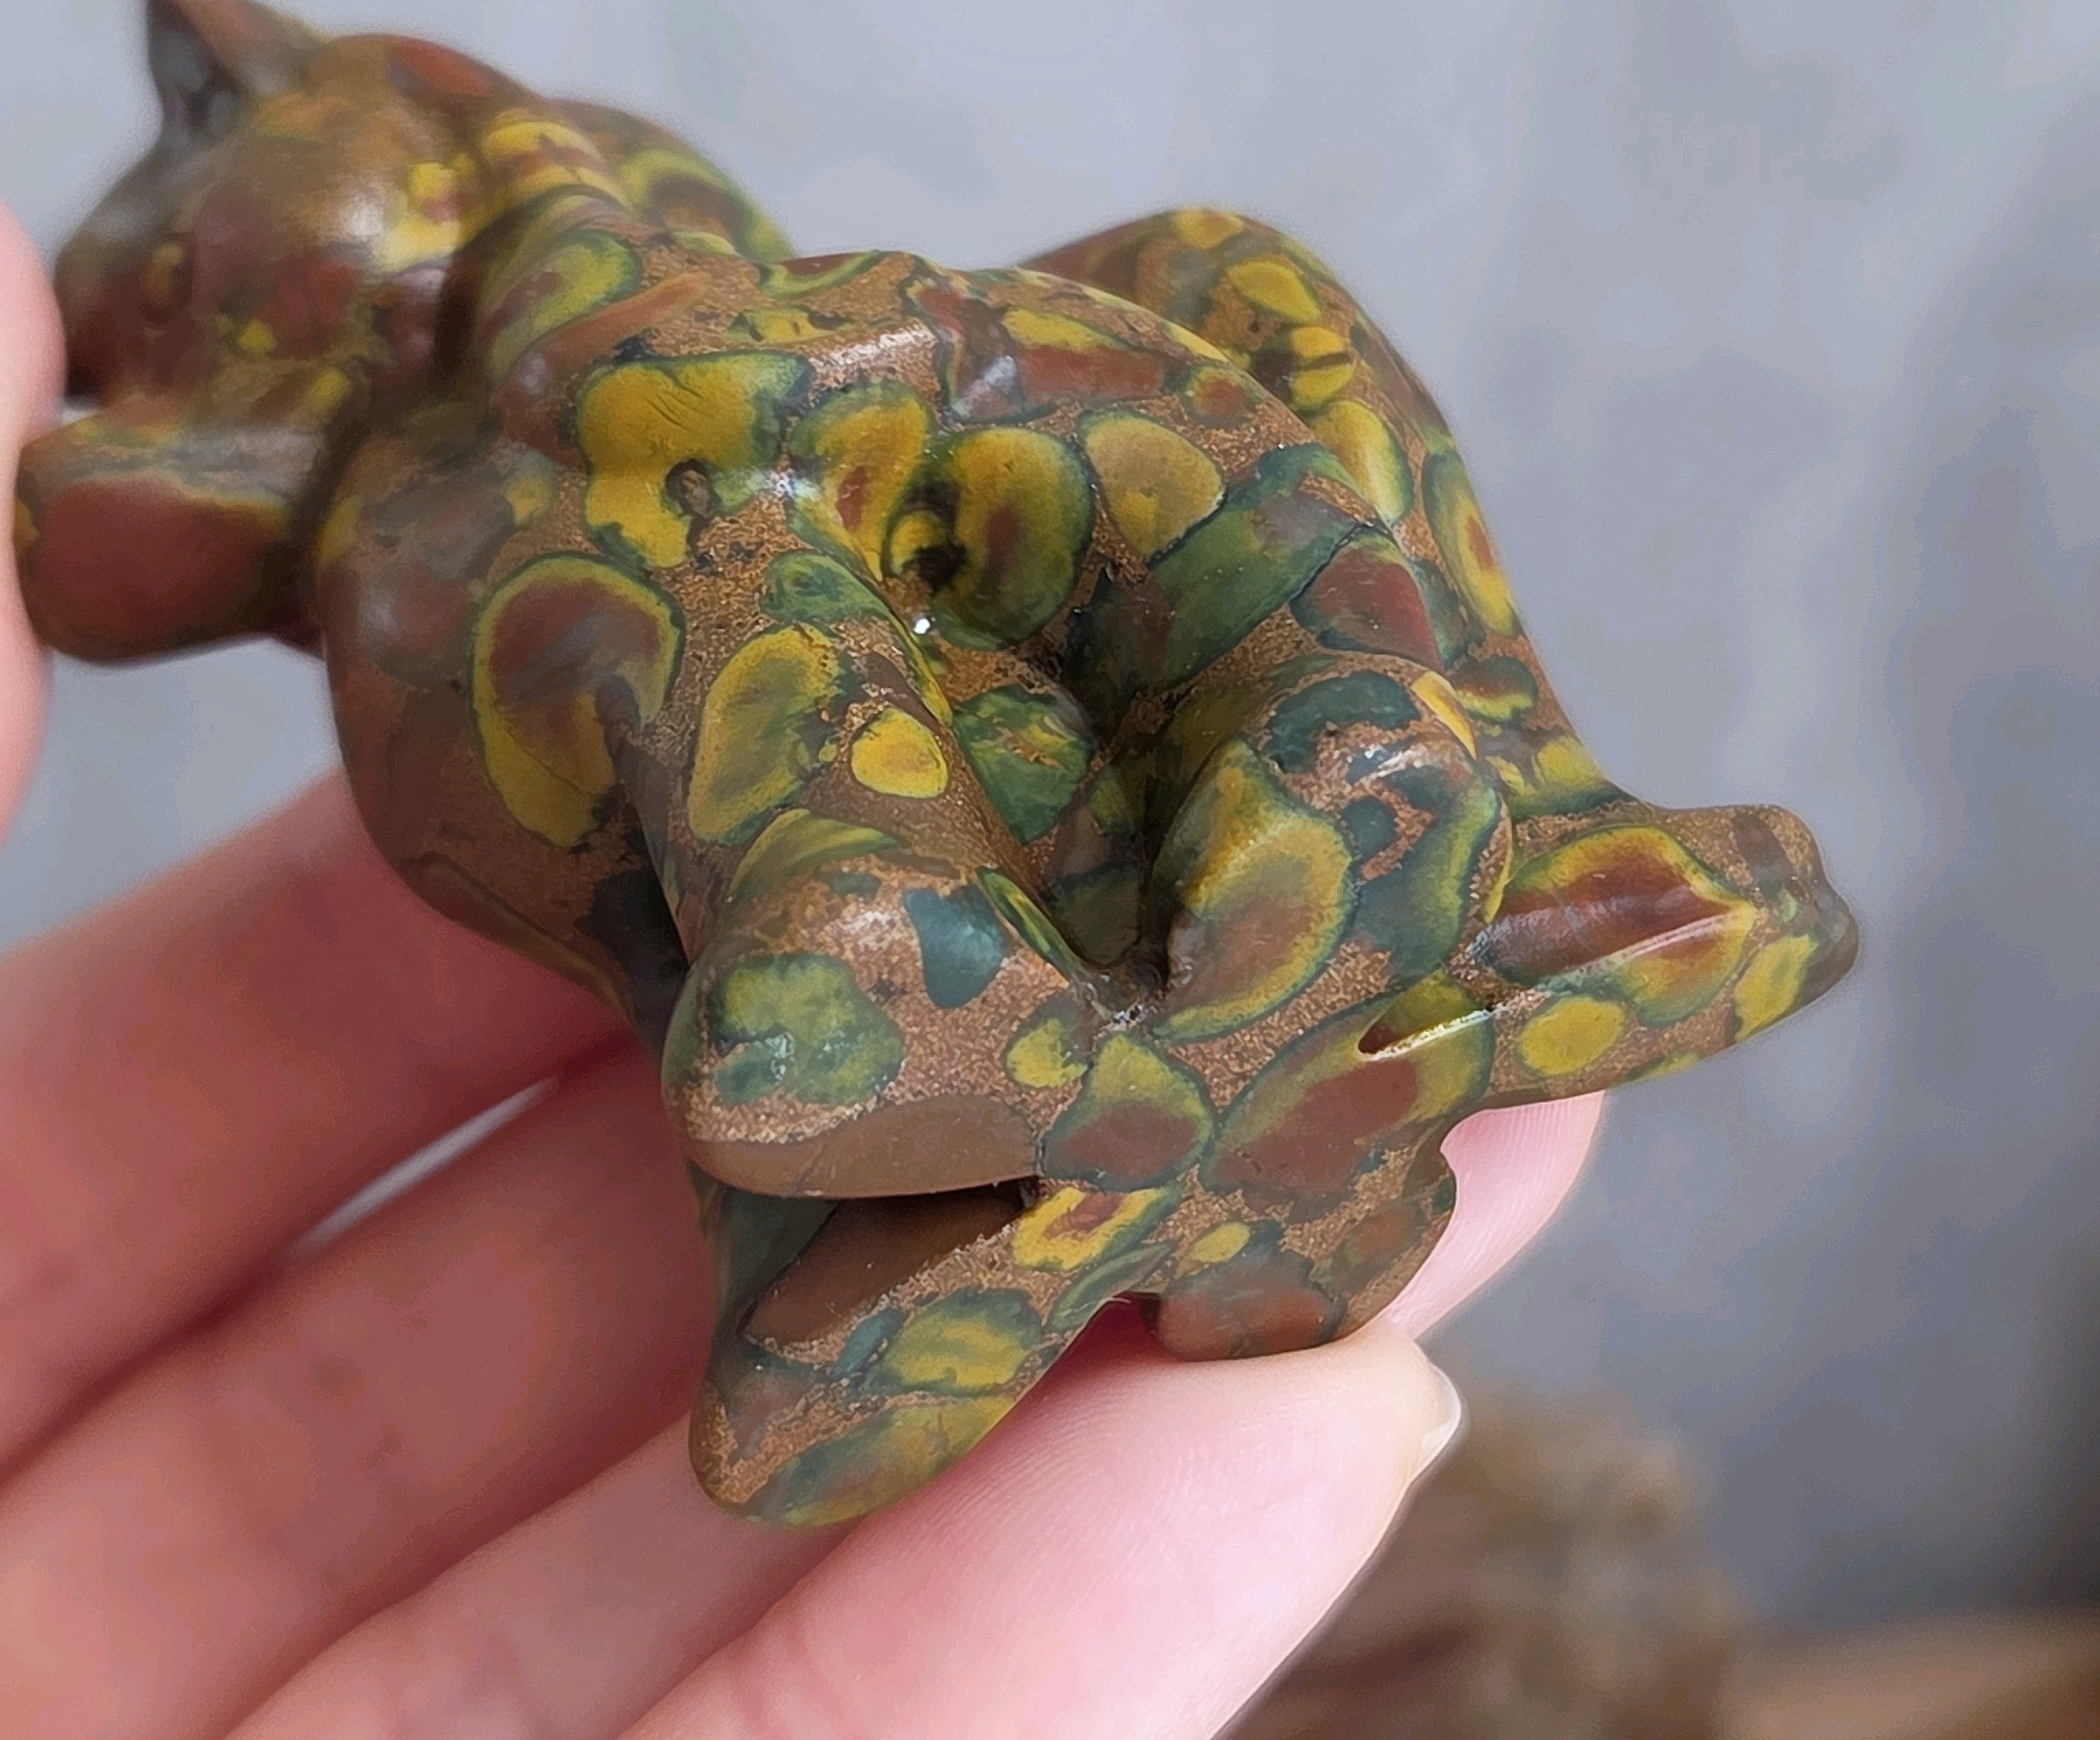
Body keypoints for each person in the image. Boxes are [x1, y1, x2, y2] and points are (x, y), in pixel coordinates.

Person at [0, 198, 1599, 1740]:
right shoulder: (428, 481)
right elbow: (119, 538)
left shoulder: (652, 298)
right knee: (666, 552)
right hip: (737, 715)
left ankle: (1484, 780)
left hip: (978, 622)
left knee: (1201, 290)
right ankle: (911, 996)